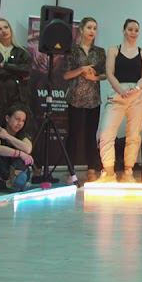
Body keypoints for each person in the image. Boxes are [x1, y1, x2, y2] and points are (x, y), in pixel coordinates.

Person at [98, 19, 142, 182]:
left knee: (134, 134)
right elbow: (109, 73)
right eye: (130, 29)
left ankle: (128, 171)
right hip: (117, 94)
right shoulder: (114, 50)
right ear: (124, 30)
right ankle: (109, 172)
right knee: (106, 132)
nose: (133, 32)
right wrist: (120, 90)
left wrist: (137, 88)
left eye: (136, 30)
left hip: (138, 96)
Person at [63, 17, 106, 181]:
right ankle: (71, 172)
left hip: (93, 99)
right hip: (75, 98)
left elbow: (105, 74)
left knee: (91, 135)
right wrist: (81, 69)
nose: (92, 31)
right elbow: (66, 75)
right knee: (73, 136)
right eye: (89, 27)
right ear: (81, 29)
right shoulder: (72, 50)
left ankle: (92, 169)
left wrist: (96, 77)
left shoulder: (99, 51)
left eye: (94, 28)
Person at [0, 18, 32, 133]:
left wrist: (5, 66)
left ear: (10, 29)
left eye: (6, 27)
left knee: (17, 132)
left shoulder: (22, 51)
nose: (4, 31)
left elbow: (27, 70)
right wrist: (16, 71)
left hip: (18, 98)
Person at [0, 103, 35, 192]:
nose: (20, 123)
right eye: (17, 119)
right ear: (7, 118)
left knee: (25, 152)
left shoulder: (22, 135)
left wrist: (8, 136)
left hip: (16, 171)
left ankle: (16, 180)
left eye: (23, 121)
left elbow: (28, 149)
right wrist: (19, 154)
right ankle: (13, 181)